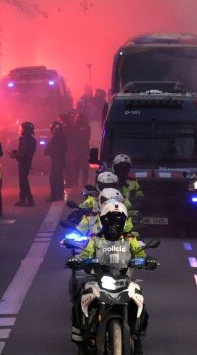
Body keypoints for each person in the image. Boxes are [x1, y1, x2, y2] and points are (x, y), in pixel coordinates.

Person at [68, 200, 151, 351]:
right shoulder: (95, 239)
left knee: (141, 300)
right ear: (103, 220)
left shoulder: (130, 239)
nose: (114, 224)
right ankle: (80, 335)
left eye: (118, 220)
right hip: (99, 279)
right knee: (79, 299)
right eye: (110, 220)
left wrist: (147, 261)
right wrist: (78, 260)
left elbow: (140, 253)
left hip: (124, 279)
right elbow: (85, 254)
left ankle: (138, 336)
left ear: (124, 222)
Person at [11, 122, 37, 207]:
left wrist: (14, 155)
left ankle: (30, 200)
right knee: (22, 182)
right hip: (25, 162)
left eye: (22, 129)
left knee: (24, 182)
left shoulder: (27, 140)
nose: (21, 130)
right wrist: (16, 152)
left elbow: (23, 153)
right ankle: (22, 200)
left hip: (24, 163)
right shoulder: (29, 139)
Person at [47, 120, 68, 202]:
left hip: (57, 161)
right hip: (58, 161)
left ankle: (55, 196)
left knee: (54, 178)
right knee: (58, 178)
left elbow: (57, 150)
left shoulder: (58, 138)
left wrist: (49, 151)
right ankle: (58, 195)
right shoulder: (60, 137)